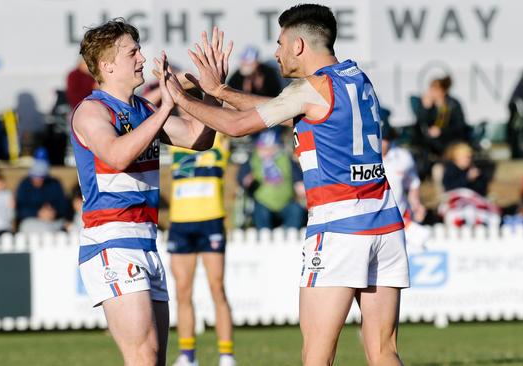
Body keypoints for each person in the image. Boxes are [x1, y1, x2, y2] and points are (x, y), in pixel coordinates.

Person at [164, 5, 408, 365]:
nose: (275, 53)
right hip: (385, 223)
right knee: (384, 351)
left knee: (316, 356)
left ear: (297, 45)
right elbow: (284, 108)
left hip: (339, 228)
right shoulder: (355, 77)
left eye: (279, 43)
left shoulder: (309, 89)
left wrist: (181, 98)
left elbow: (236, 126)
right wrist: (221, 90)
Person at [70, 19, 223, 366]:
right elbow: (117, 154)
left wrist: (212, 90)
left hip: (145, 241)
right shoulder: (91, 111)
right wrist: (168, 105)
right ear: (107, 65)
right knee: (142, 356)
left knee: (155, 359)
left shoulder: (143, 110)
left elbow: (199, 138)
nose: (142, 58)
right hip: (111, 240)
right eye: (132, 52)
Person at [168, 132, 236, 366]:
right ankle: (188, 355)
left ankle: (226, 355)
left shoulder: (217, 135)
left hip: (211, 219)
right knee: (182, 291)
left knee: (217, 288)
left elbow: (229, 106)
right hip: (180, 222)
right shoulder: (176, 136)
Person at [237, 129, 306, 229]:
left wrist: (300, 186)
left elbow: (298, 180)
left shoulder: (285, 159)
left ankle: (290, 237)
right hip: (263, 203)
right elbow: (242, 180)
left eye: (271, 148)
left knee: (296, 211)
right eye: (264, 148)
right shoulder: (252, 161)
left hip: (286, 202)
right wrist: (246, 181)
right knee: (260, 213)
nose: (268, 151)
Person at [381, 127, 429, 247]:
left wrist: (416, 205)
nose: (381, 142)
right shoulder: (360, 157)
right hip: (372, 222)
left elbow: (413, 183)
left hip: (400, 219)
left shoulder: (403, 157)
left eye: (384, 139)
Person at [15, 158, 67, 233]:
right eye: (35, 176)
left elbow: (63, 206)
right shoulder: (24, 185)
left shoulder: (54, 184)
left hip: (54, 222)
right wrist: (38, 213)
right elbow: (20, 209)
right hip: (32, 222)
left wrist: (53, 212)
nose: (38, 179)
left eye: (41, 177)